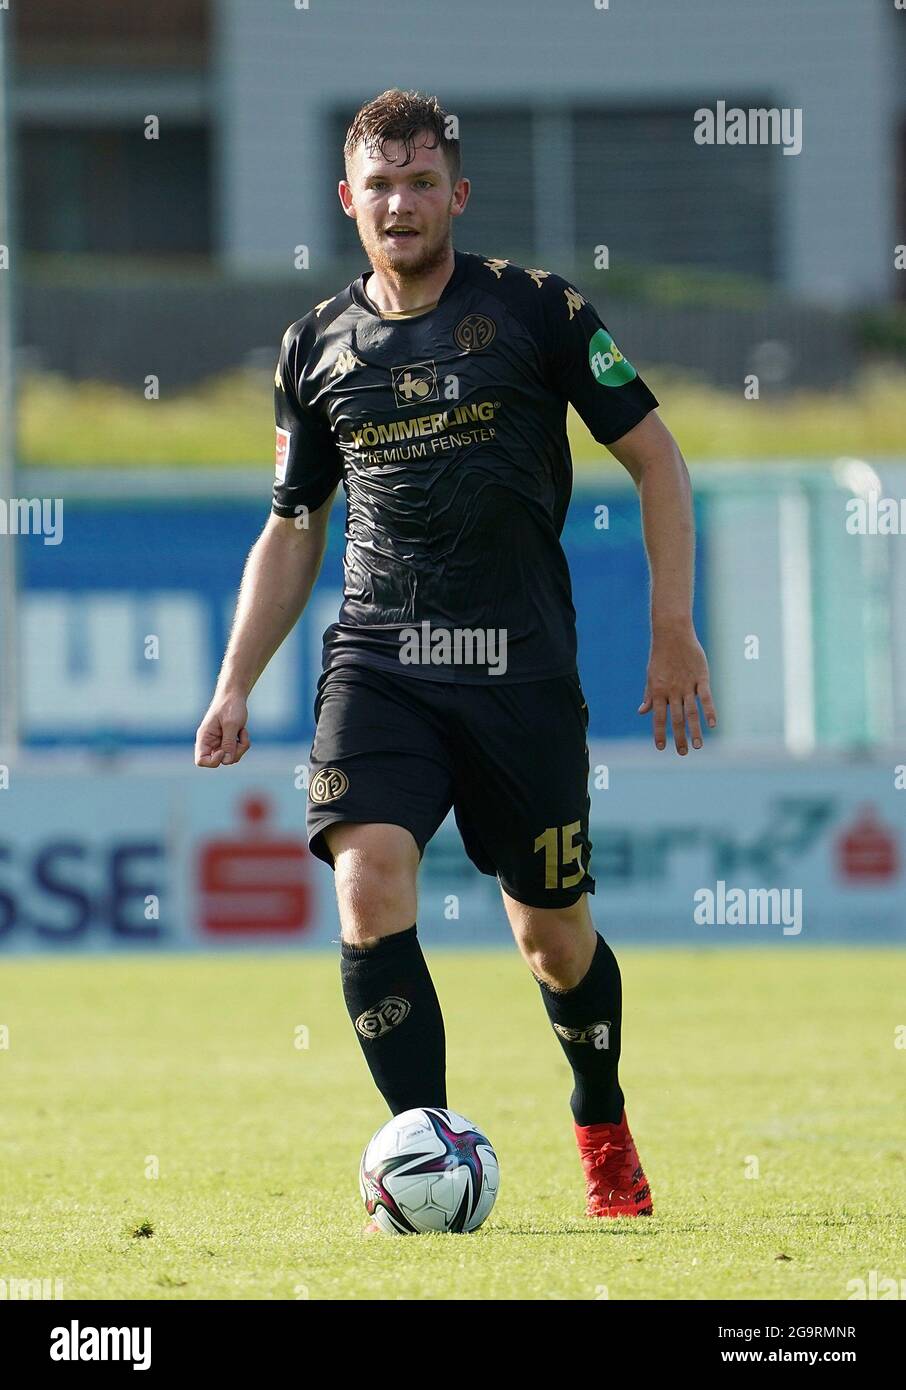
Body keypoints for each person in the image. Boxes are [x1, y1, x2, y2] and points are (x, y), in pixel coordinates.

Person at [195, 88, 717, 1225]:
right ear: (349, 200)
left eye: (421, 182)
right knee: (368, 877)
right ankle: (429, 1160)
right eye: (380, 185)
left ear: (456, 195)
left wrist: (673, 626)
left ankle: (601, 1118)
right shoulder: (315, 345)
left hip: (520, 671)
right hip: (380, 661)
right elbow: (292, 526)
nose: (401, 202)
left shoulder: (539, 311)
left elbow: (661, 464)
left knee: (553, 938)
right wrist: (235, 680)